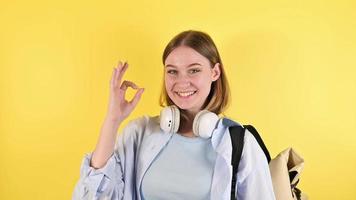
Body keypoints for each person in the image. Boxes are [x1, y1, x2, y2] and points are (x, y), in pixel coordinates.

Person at [72, 30, 276, 200]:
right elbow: (92, 195)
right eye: (172, 71)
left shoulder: (240, 144)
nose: (182, 81)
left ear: (215, 73)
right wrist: (112, 119)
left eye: (194, 70)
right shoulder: (140, 133)